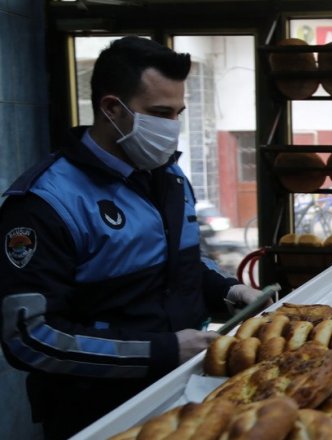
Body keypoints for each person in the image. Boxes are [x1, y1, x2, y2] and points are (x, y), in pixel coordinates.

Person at [0, 36, 265, 439]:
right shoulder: (45, 203)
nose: (172, 128)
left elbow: (182, 261)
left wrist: (229, 291)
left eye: (178, 113)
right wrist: (162, 351)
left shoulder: (169, 178)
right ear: (111, 108)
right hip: (97, 413)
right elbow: (29, 337)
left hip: (184, 394)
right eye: (160, 113)